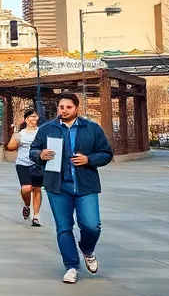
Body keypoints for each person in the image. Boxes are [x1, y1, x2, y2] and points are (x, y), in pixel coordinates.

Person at [30, 92, 114, 284]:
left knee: (91, 225)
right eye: (61, 107)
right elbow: (33, 151)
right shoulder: (47, 129)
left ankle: (87, 249)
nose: (64, 111)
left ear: (77, 108)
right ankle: (71, 266)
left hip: (85, 185)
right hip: (57, 186)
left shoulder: (91, 128)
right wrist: (40, 154)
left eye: (68, 107)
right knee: (64, 227)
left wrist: (89, 159)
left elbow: (107, 153)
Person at [6, 109, 43, 226]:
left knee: (37, 188)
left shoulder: (42, 132)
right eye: (31, 117)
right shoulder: (20, 134)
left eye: (36, 117)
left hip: (37, 164)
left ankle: (36, 216)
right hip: (23, 163)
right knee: (26, 188)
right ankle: (27, 204)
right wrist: (15, 141)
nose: (34, 119)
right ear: (26, 119)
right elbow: (10, 146)